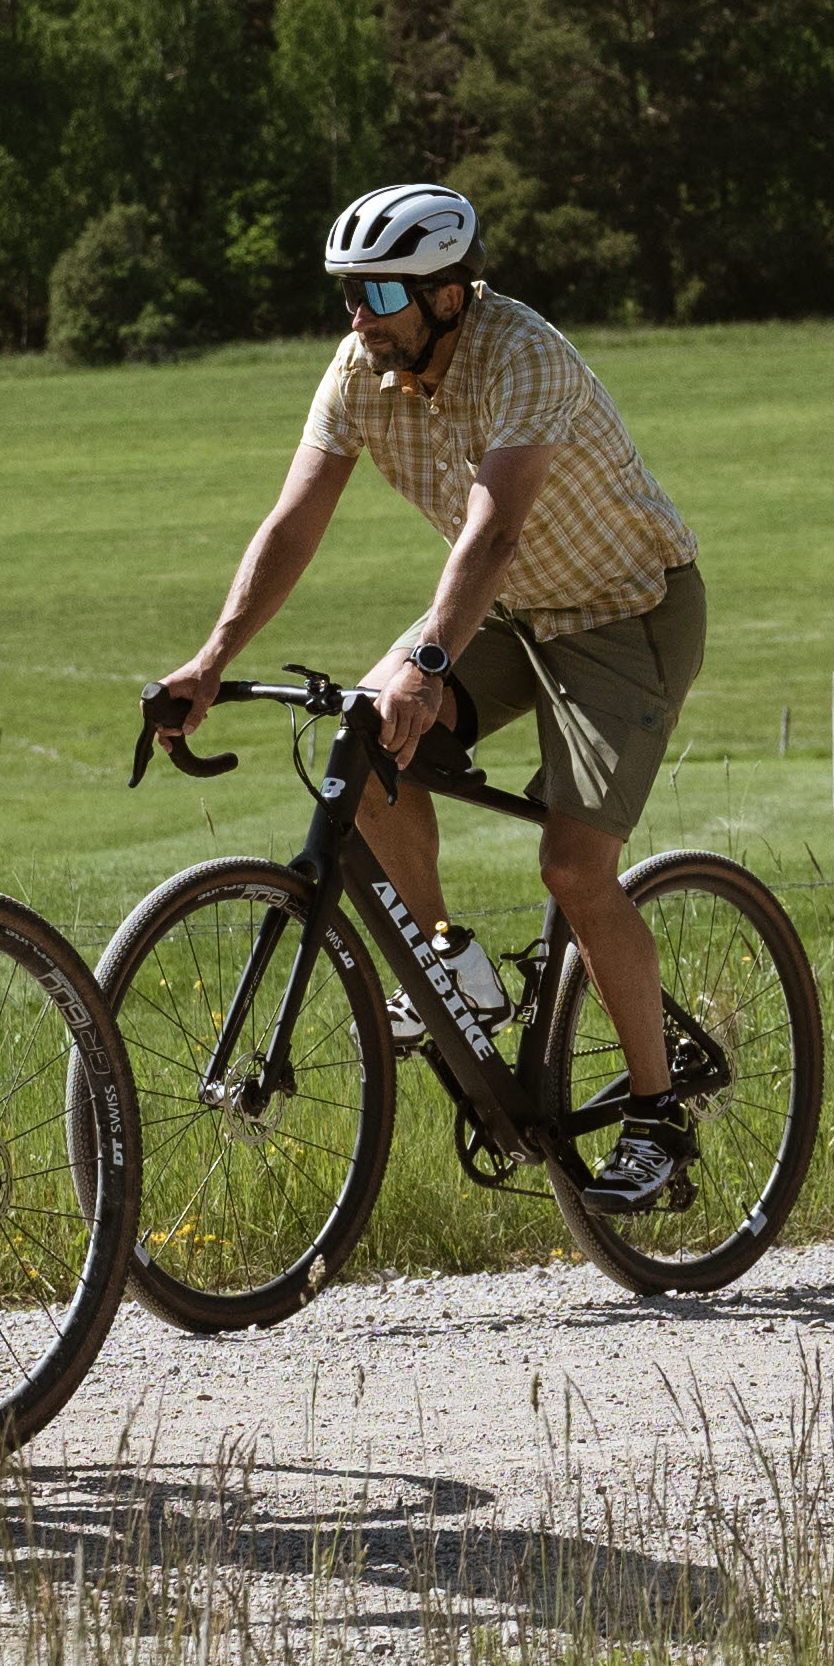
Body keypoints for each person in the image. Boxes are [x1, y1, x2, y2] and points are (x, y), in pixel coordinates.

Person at [151, 181, 708, 1212]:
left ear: (448, 295)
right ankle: (452, 964)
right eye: (345, 292)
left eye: (379, 290)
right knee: (361, 742)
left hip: (625, 611)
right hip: (506, 611)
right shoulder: (361, 365)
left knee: (574, 865)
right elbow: (291, 521)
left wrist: (429, 662)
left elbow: (492, 531)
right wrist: (213, 654)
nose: (355, 313)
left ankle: (656, 1115)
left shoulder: (521, 353)